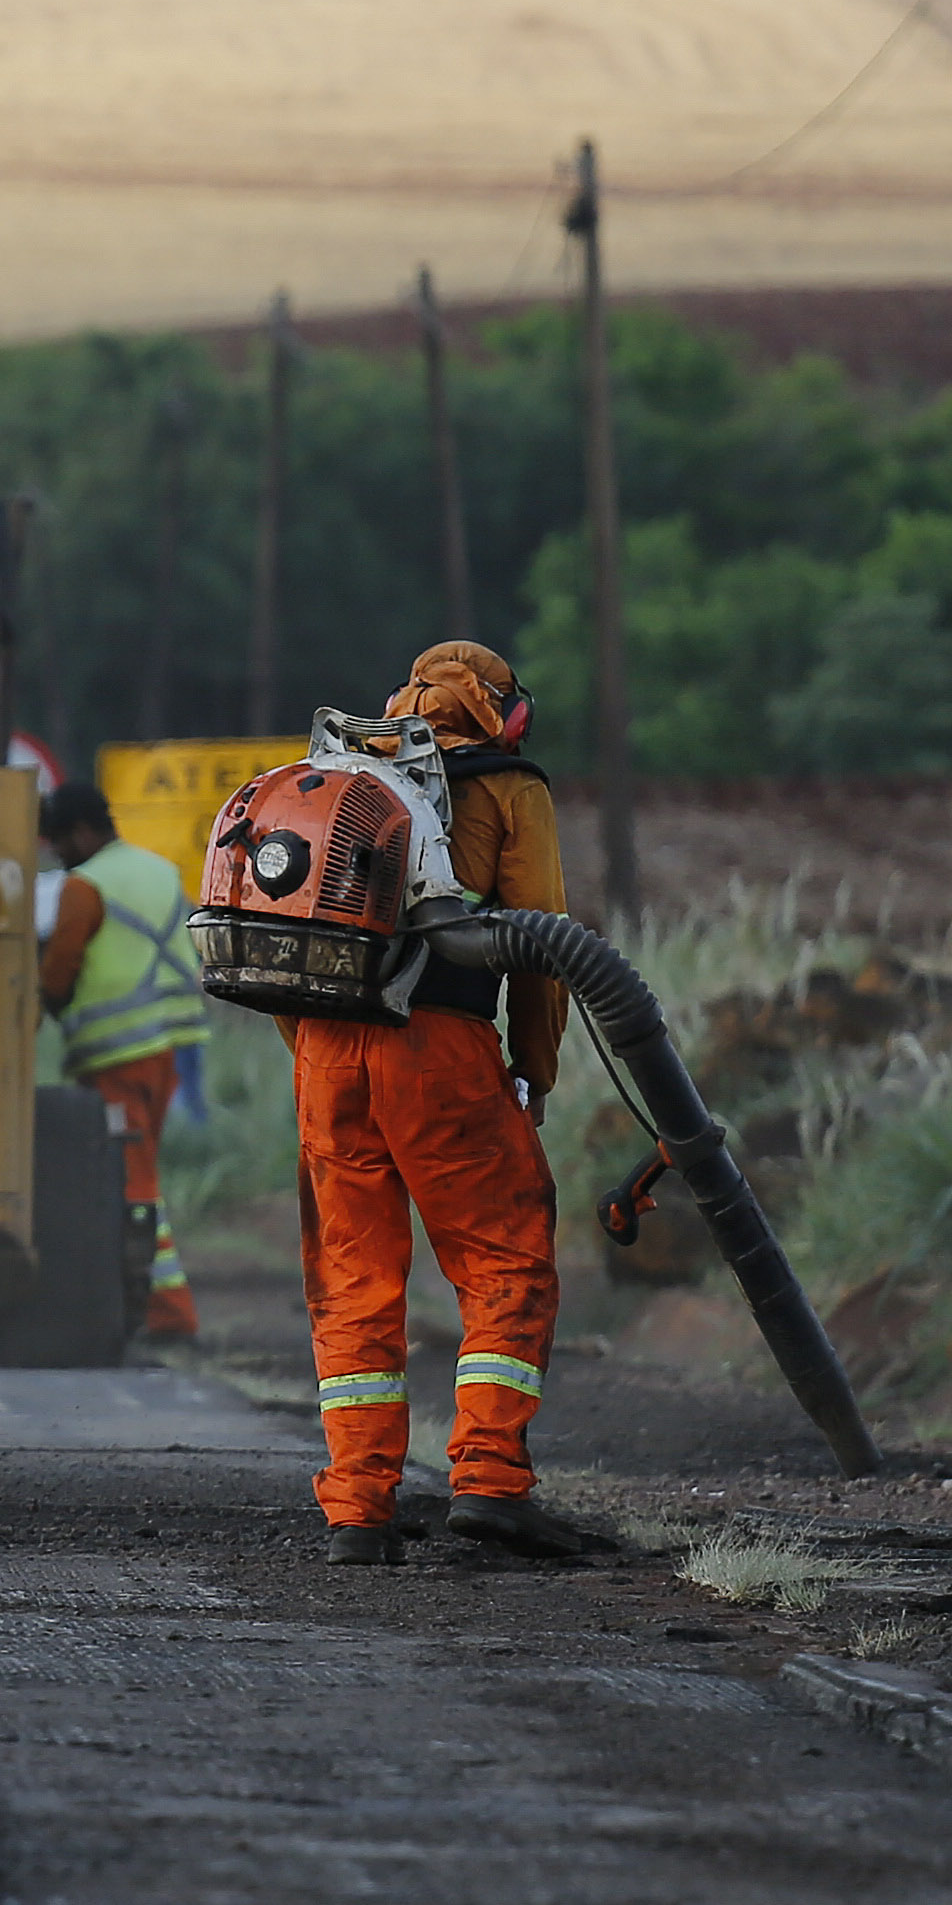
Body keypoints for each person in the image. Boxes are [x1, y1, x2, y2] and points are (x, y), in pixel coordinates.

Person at [293, 640, 583, 1565]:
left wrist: (316, 1055)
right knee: (506, 1256)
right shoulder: (508, 788)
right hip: (440, 1046)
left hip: (326, 1050)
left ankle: (356, 1511)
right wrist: (536, 1066)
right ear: (502, 709)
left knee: (352, 1279)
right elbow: (544, 942)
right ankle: (491, 1484)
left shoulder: (346, 779)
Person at [24, 753, 211, 1342]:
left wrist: (33, 1007)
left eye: (58, 845)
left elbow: (59, 972)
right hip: (168, 1048)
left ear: (81, 833)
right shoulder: (157, 870)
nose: (59, 856)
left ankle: (167, 1313)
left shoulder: (87, 887)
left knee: (131, 1185)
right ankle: (145, 1300)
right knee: (141, 1172)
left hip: (115, 1058)